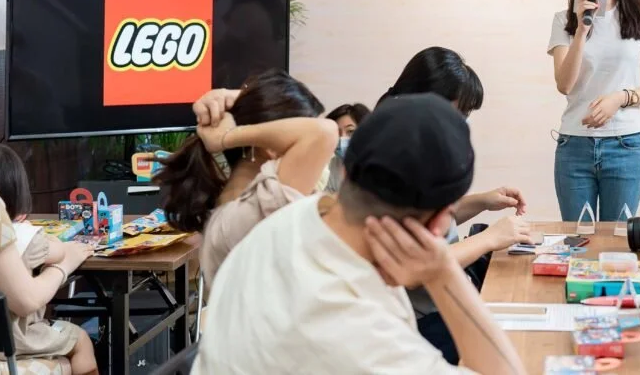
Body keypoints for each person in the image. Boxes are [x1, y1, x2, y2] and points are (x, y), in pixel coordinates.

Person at [194, 93, 527, 375]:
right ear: (440, 223)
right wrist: (443, 273)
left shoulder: (281, 221)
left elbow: (319, 131)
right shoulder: (365, 339)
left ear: (344, 170)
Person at [378, 46, 531, 364]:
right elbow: (415, 266)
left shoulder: (409, 138)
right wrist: (489, 238)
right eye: (460, 113)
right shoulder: (398, 154)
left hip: (439, 304)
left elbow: (431, 223)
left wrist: (482, 202)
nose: (461, 125)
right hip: (424, 321)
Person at [155, 69, 339, 281]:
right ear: (271, 147)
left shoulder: (245, 205)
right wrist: (227, 136)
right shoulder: (260, 207)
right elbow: (324, 132)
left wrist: (238, 102)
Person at [548, 0, 640, 222]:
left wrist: (619, 99)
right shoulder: (563, 20)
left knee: (618, 237)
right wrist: (581, 28)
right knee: (578, 238)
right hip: (574, 145)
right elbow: (564, 84)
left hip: (625, 144)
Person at [0, 144, 97, 375]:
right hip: (15, 340)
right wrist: (64, 262)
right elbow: (58, 253)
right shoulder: (26, 236)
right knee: (81, 340)